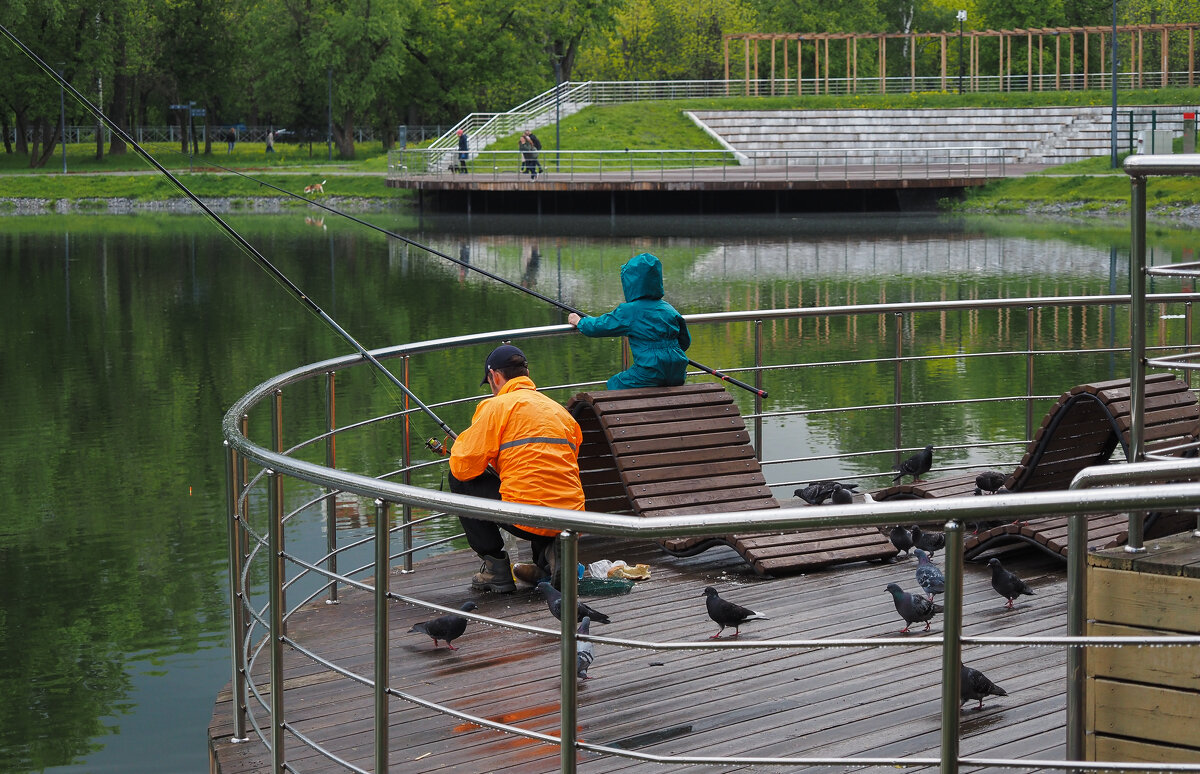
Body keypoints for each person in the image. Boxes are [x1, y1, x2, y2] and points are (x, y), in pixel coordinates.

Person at [448, 344, 584, 592]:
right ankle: (548, 559)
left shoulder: (495, 407)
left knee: (460, 479)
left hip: (526, 518)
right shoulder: (559, 411)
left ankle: (495, 567)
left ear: (495, 377)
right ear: (527, 375)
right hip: (572, 518)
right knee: (546, 485)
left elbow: (462, 467)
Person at [567, 252, 691, 390]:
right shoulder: (668, 309)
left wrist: (580, 322)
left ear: (631, 282)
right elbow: (685, 341)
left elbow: (600, 326)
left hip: (649, 372)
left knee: (615, 383)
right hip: (677, 370)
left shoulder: (629, 311)